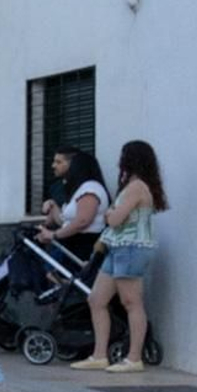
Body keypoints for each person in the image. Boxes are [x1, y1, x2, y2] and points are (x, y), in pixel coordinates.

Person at [71, 140, 168, 373]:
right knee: (96, 300)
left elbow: (114, 219)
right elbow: (114, 218)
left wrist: (111, 214)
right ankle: (99, 355)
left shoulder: (136, 188)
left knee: (131, 302)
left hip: (132, 247)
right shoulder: (133, 186)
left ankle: (134, 358)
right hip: (119, 247)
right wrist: (111, 215)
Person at [36, 147, 109, 263]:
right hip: (72, 245)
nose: (53, 166)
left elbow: (82, 221)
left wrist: (54, 235)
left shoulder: (90, 188)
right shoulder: (78, 190)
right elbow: (64, 221)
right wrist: (53, 206)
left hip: (83, 247)